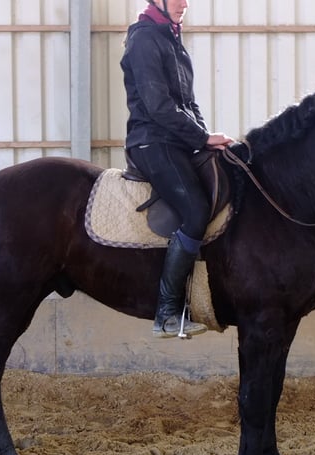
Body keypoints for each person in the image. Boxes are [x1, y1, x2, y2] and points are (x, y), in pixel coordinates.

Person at [121, 0, 235, 339]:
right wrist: (200, 136)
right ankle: (167, 312)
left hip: (177, 140)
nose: (184, 3)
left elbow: (188, 102)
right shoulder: (144, 39)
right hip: (151, 140)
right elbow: (158, 106)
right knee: (196, 209)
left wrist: (205, 137)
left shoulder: (171, 37)